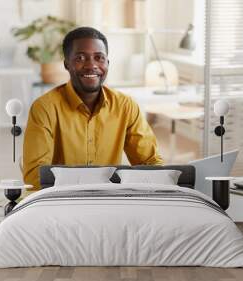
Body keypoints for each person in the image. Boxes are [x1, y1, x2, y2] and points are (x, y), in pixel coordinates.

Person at [23, 27, 163, 190]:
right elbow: (35, 176)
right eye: (80, 58)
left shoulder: (126, 106)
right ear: (66, 64)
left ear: (107, 63)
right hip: (60, 201)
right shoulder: (45, 108)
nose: (91, 65)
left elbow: (150, 163)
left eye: (99, 58)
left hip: (109, 200)